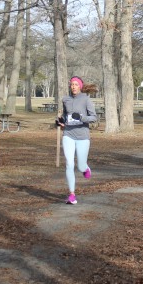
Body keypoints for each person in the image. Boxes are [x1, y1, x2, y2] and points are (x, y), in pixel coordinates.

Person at [58, 76, 97, 204]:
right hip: (68, 134)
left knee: (80, 166)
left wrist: (81, 118)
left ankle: (85, 169)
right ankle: (72, 194)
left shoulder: (86, 99)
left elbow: (94, 117)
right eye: (72, 84)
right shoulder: (66, 99)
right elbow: (65, 116)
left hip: (82, 136)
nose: (73, 86)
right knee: (69, 164)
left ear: (80, 86)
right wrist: (61, 121)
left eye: (76, 84)